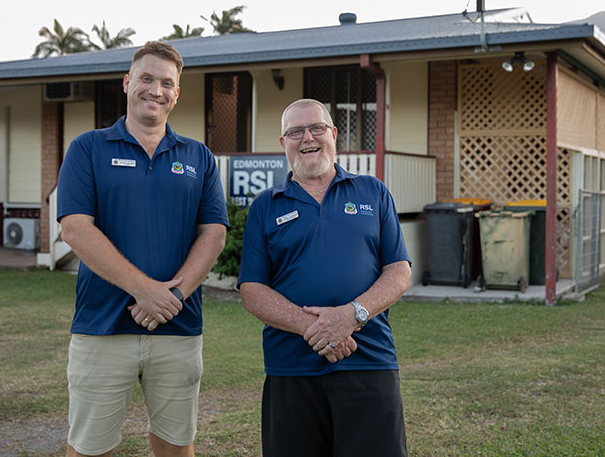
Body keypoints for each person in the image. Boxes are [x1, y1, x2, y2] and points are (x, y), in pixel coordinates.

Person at [57, 40, 229, 457]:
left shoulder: (198, 156)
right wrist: (145, 290)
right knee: (89, 448)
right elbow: (76, 229)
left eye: (167, 82)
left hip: (178, 329)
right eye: (147, 78)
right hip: (102, 327)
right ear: (127, 82)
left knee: (175, 445)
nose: (156, 89)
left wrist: (171, 297)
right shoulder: (88, 148)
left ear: (177, 93)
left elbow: (213, 234)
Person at [237, 98, 412, 457]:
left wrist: (351, 316)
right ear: (283, 142)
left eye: (316, 128)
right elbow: (253, 290)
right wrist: (315, 328)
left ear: (333, 134)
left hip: (369, 361)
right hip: (291, 369)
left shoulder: (372, 192)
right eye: (295, 131)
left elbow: (398, 271)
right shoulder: (266, 205)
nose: (308, 138)